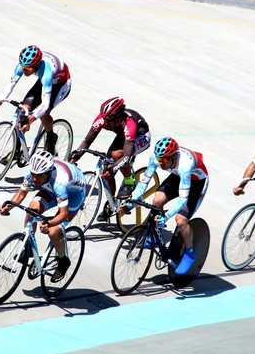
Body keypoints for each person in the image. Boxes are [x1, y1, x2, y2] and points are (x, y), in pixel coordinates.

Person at [125, 137, 209, 276]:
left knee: (181, 220)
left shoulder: (185, 165)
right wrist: (131, 200)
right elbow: (143, 184)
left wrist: (166, 215)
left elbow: (183, 199)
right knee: (157, 200)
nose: (160, 163)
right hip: (177, 177)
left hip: (197, 183)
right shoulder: (156, 158)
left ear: (173, 157)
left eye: (163, 160)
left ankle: (189, 252)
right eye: (159, 160)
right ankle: (155, 235)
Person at [0, 150, 87, 282]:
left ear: (48, 172)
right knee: (31, 210)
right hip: (50, 188)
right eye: (33, 174)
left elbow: (63, 214)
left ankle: (63, 261)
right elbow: (21, 194)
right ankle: (28, 247)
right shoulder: (32, 173)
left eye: (39, 176)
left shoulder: (59, 183)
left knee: (53, 232)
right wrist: (8, 206)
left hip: (74, 194)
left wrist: (49, 224)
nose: (35, 179)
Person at [69, 96, 151, 220]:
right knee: (105, 167)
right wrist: (76, 156)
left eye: (108, 120)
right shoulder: (103, 119)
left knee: (117, 156)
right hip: (122, 135)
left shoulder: (130, 123)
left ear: (118, 118)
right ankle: (111, 203)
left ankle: (129, 181)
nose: (104, 123)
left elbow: (127, 156)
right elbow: (87, 141)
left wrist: (113, 168)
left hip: (141, 137)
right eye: (104, 118)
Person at [0, 45, 72, 154]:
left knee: (44, 113)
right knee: (23, 111)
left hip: (61, 84)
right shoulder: (23, 65)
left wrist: (29, 121)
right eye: (23, 68)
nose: (25, 71)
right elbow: (10, 85)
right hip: (45, 81)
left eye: (29, 69)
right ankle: (16, 151)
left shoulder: (46, 73)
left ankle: (51, 137)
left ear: (37, 65)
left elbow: (45, 105)